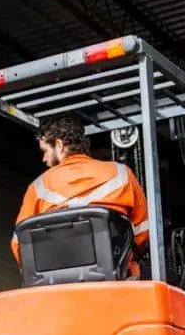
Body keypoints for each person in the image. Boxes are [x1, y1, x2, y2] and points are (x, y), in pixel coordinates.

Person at [12, 116, 149, 273]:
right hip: (114, 276)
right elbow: (142, 233)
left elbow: (19, 245)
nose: (44, 159)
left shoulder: (37, 187)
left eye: (45, 151)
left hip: (56, 281)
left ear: (59, 145)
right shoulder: (122, 173)